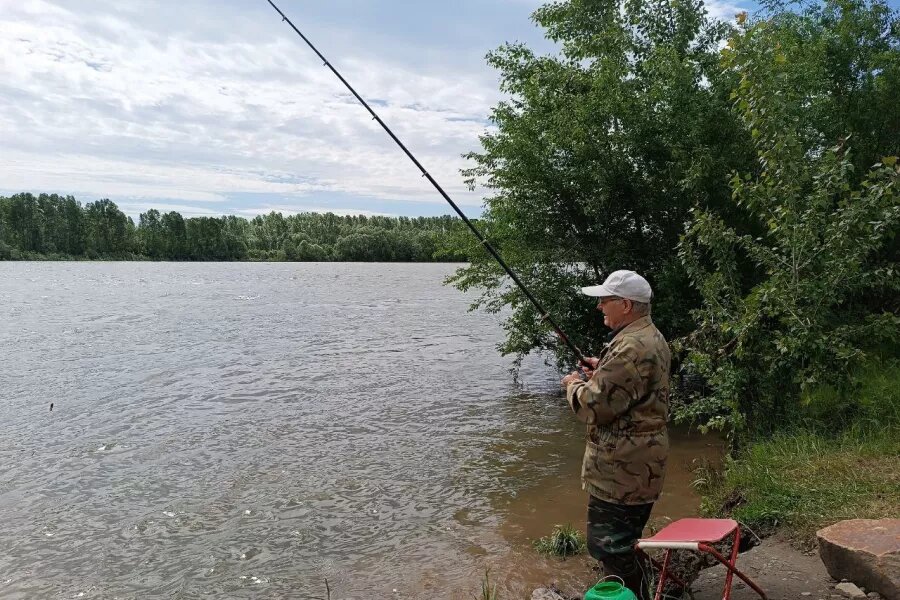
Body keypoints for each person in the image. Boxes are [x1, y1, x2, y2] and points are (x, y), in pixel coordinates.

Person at [561, 270, 671, 600]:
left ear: (625, 305)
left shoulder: (630, 348)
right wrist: (603, 370)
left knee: (610, 547)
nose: (599, 307)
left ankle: (631, 595)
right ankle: (647, 588)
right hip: (638, 462)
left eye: (604, 301)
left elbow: (592, 408)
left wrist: (573, 385)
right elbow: (633, 389)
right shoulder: (648, 336)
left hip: (622, 467)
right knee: (623, 539)